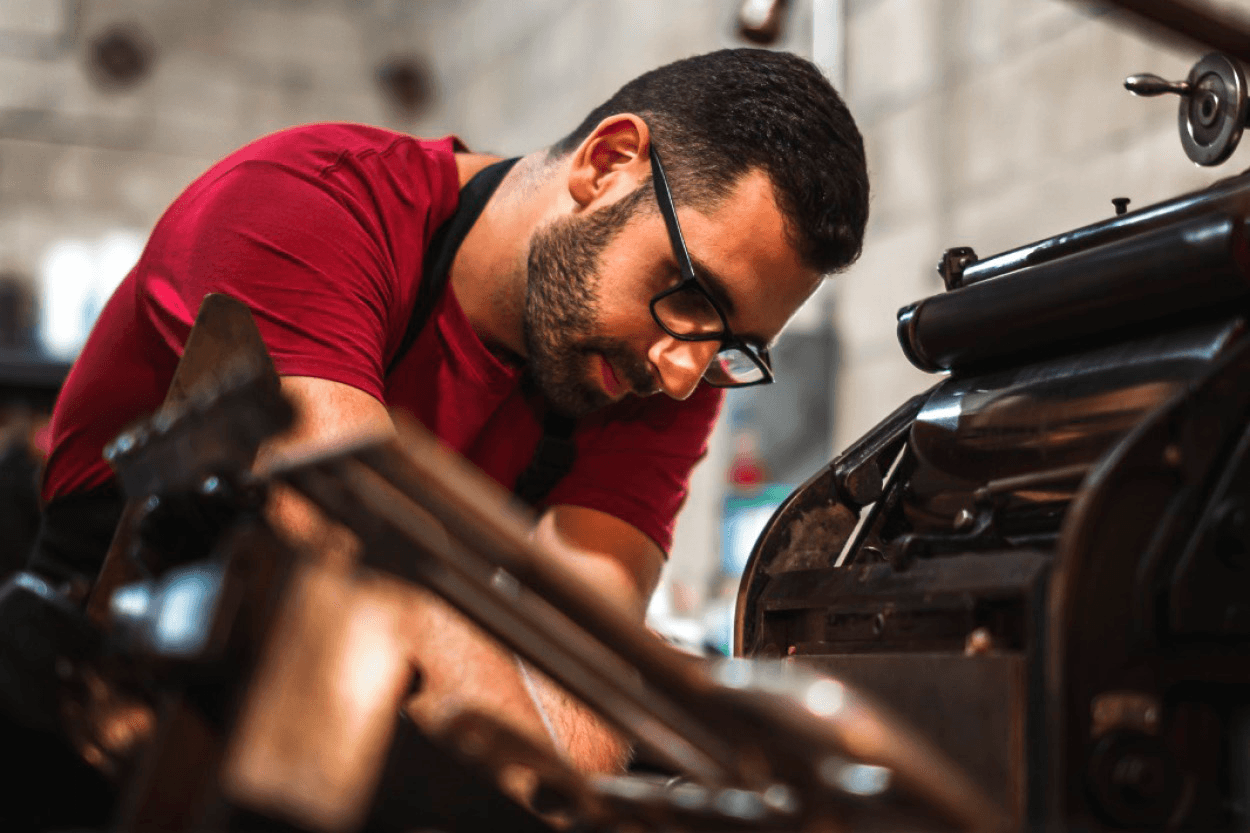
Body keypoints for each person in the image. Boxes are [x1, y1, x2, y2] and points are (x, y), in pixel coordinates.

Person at [34, 48, 869, 777]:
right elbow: (359, 550)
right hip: (83, 711)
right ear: (608, 162)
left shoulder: (655, 366)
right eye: (691, 293)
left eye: (732, 342)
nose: (685, 376)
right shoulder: (307, 204)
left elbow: (582, 690)